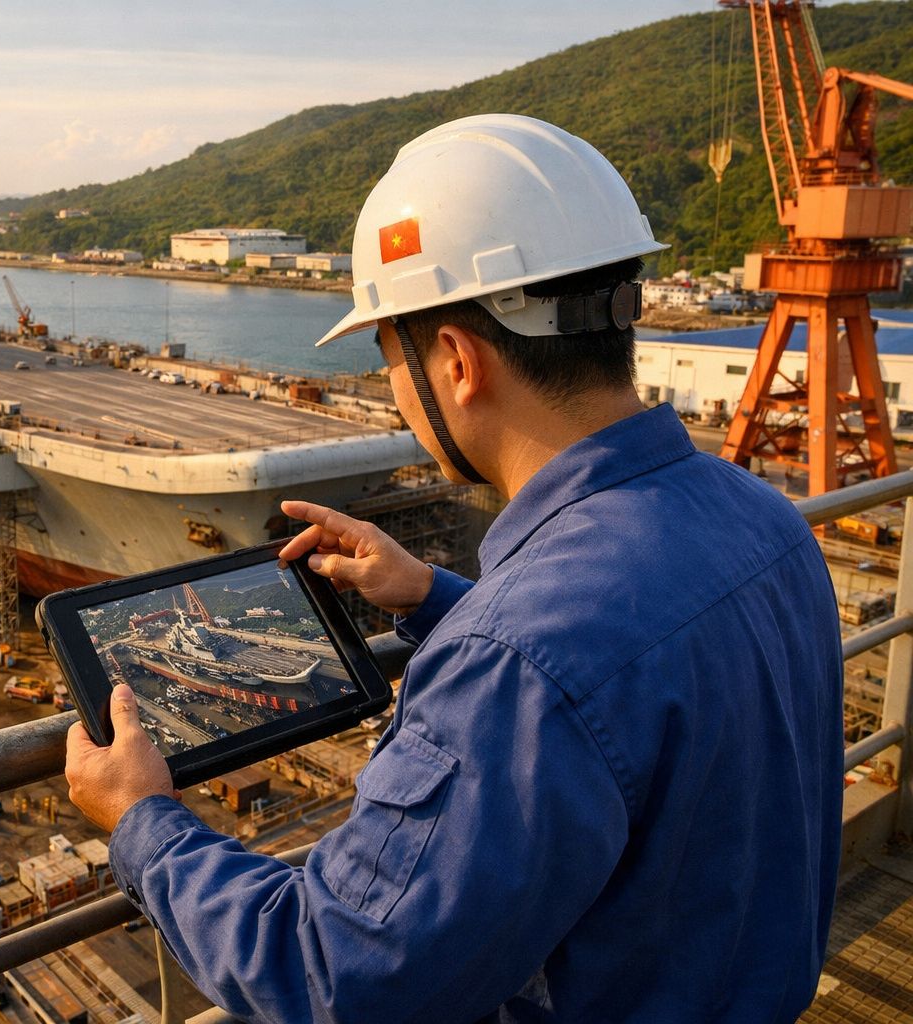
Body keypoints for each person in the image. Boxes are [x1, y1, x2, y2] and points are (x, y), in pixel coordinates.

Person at [65, 114, 843, 1023]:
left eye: (390, 356)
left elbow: (339, 976)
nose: (395, 386)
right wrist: (437, 598)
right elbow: (617, 681)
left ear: (457, 361)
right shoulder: (763, 517)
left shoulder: (519, 656)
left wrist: (142, 825)